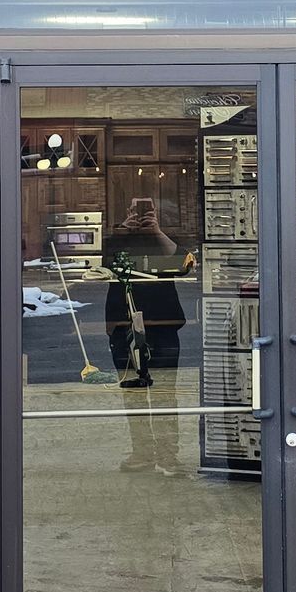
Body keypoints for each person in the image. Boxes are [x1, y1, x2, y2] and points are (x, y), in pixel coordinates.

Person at [104, 196, 189, 473]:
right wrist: (123, 230)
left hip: (162, 324)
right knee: (133, 393)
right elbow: (102, 266)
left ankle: (167, 455)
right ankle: (142, 452)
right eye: (136, 210)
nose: (141, 215)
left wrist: (156, 232)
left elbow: (186, 265)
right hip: (123, 325)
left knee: (165, 393)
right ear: (127, 211)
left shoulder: (166, 237)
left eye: (146, 211)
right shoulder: (118, 237)